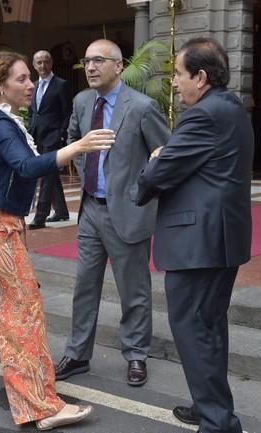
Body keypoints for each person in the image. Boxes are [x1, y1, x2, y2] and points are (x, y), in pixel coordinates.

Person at [0, 51, 115, 431]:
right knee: (22, 310)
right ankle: (40, 407)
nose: (30, 83)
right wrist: (79, 147)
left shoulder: (5, 120)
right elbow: (27, 166)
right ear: (0, 85)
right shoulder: (1, 124)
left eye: (29, 78)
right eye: (21, 79)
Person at [136, 37, 253, 433]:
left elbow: (159, 174)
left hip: (198, 243)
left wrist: (154, 160)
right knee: (209, 328)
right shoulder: (232, 108)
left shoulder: (202, 115)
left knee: (193, 329)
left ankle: (218, 422)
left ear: (201, 77)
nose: (173, 83)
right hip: (219, 239)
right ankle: (212, 407)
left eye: (179, 74)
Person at [53, 39, 170, 387]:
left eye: (98, 61)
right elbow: (75, 141)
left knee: (133, 290)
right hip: (91, 208)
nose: (90, 67)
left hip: (128, 211)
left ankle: (136, 354)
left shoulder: (142, 107)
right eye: (87, 61)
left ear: (118, 66)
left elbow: (164, 152)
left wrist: (141, 188)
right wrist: (88, 171)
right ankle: (77, 354)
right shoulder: (81, 101)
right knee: (84, 286)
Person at [27, 50, 73, 229]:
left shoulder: (61, 85)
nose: (42, 66)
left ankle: (40, 216)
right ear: (34, 65)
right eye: (39, 62)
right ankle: (61, 211)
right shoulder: (34, 85)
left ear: (51, 63)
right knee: (51, 173)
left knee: (46, 176)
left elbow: (67, 111)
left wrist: (62, 133)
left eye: (46, 62)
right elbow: (33, 111)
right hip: (37, 136)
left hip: (53, 137)